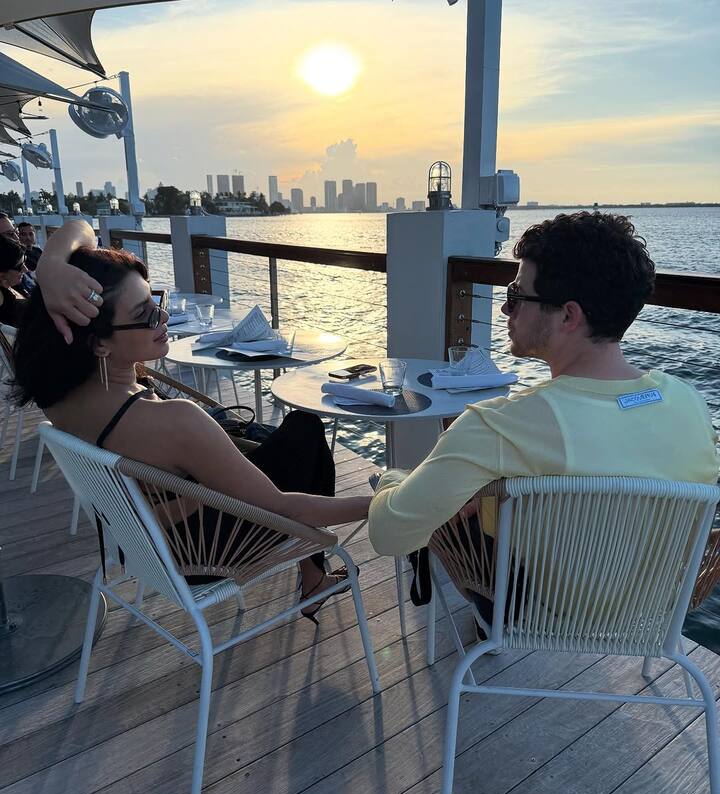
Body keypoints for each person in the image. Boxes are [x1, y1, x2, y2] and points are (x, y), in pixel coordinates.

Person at [367, 212, 718, 623]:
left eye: (516, 296)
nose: (504, 310)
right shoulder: (689, 401)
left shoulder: (501, 424)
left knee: (440, 498)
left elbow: (388, 534)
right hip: (659, 608)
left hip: (549, 612)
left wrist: (395, 479)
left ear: (568, 316)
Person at [13, 227, 371, 621]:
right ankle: (314, 574)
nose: (162, 317)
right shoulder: (174, 422)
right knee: (305, 431)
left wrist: (50, 266)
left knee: (282, 439)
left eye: (156, 302)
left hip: (144, 547)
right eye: (144, 315)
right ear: (100, 344)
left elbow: (79, 229)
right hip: (206, 553)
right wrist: (387, 504)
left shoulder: (58, 396)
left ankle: (313, 575)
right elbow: (287, 511)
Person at [0, 236, 32, 328]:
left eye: (25, 260)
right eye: (20, 266)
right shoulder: (4, 301)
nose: (25, 269)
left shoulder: (15, 283)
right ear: (2, 275)